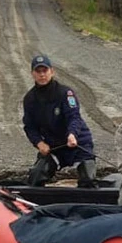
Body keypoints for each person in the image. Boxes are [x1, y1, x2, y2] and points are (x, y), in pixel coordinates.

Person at [22, 54, 97, 188]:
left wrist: (72, 134)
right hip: (54, 147)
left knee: (88, 178)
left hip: (77, 142)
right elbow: (29, 127)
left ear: (52, 71)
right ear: (32, 74)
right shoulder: (29, 99)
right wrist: (39, 143)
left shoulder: (65, 93)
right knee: (36, 175)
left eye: (45, 71)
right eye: (38, 71)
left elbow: (74, 117)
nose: (42, 75)